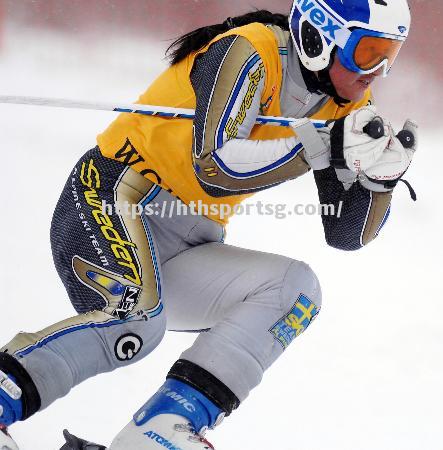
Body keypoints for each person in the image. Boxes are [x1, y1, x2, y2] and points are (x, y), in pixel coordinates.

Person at [0, 1, 417, 449]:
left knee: (295, 290)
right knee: (134, 326)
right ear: (319, 37)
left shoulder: (349, 107)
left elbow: (346, 234)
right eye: (368, 52)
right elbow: (215, 167)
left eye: (389, 55)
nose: (376, 70)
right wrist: (319, 147)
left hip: (190, 239)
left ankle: (161, 430)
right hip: (115, 196)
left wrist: (378, 181)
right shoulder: (249, 50)